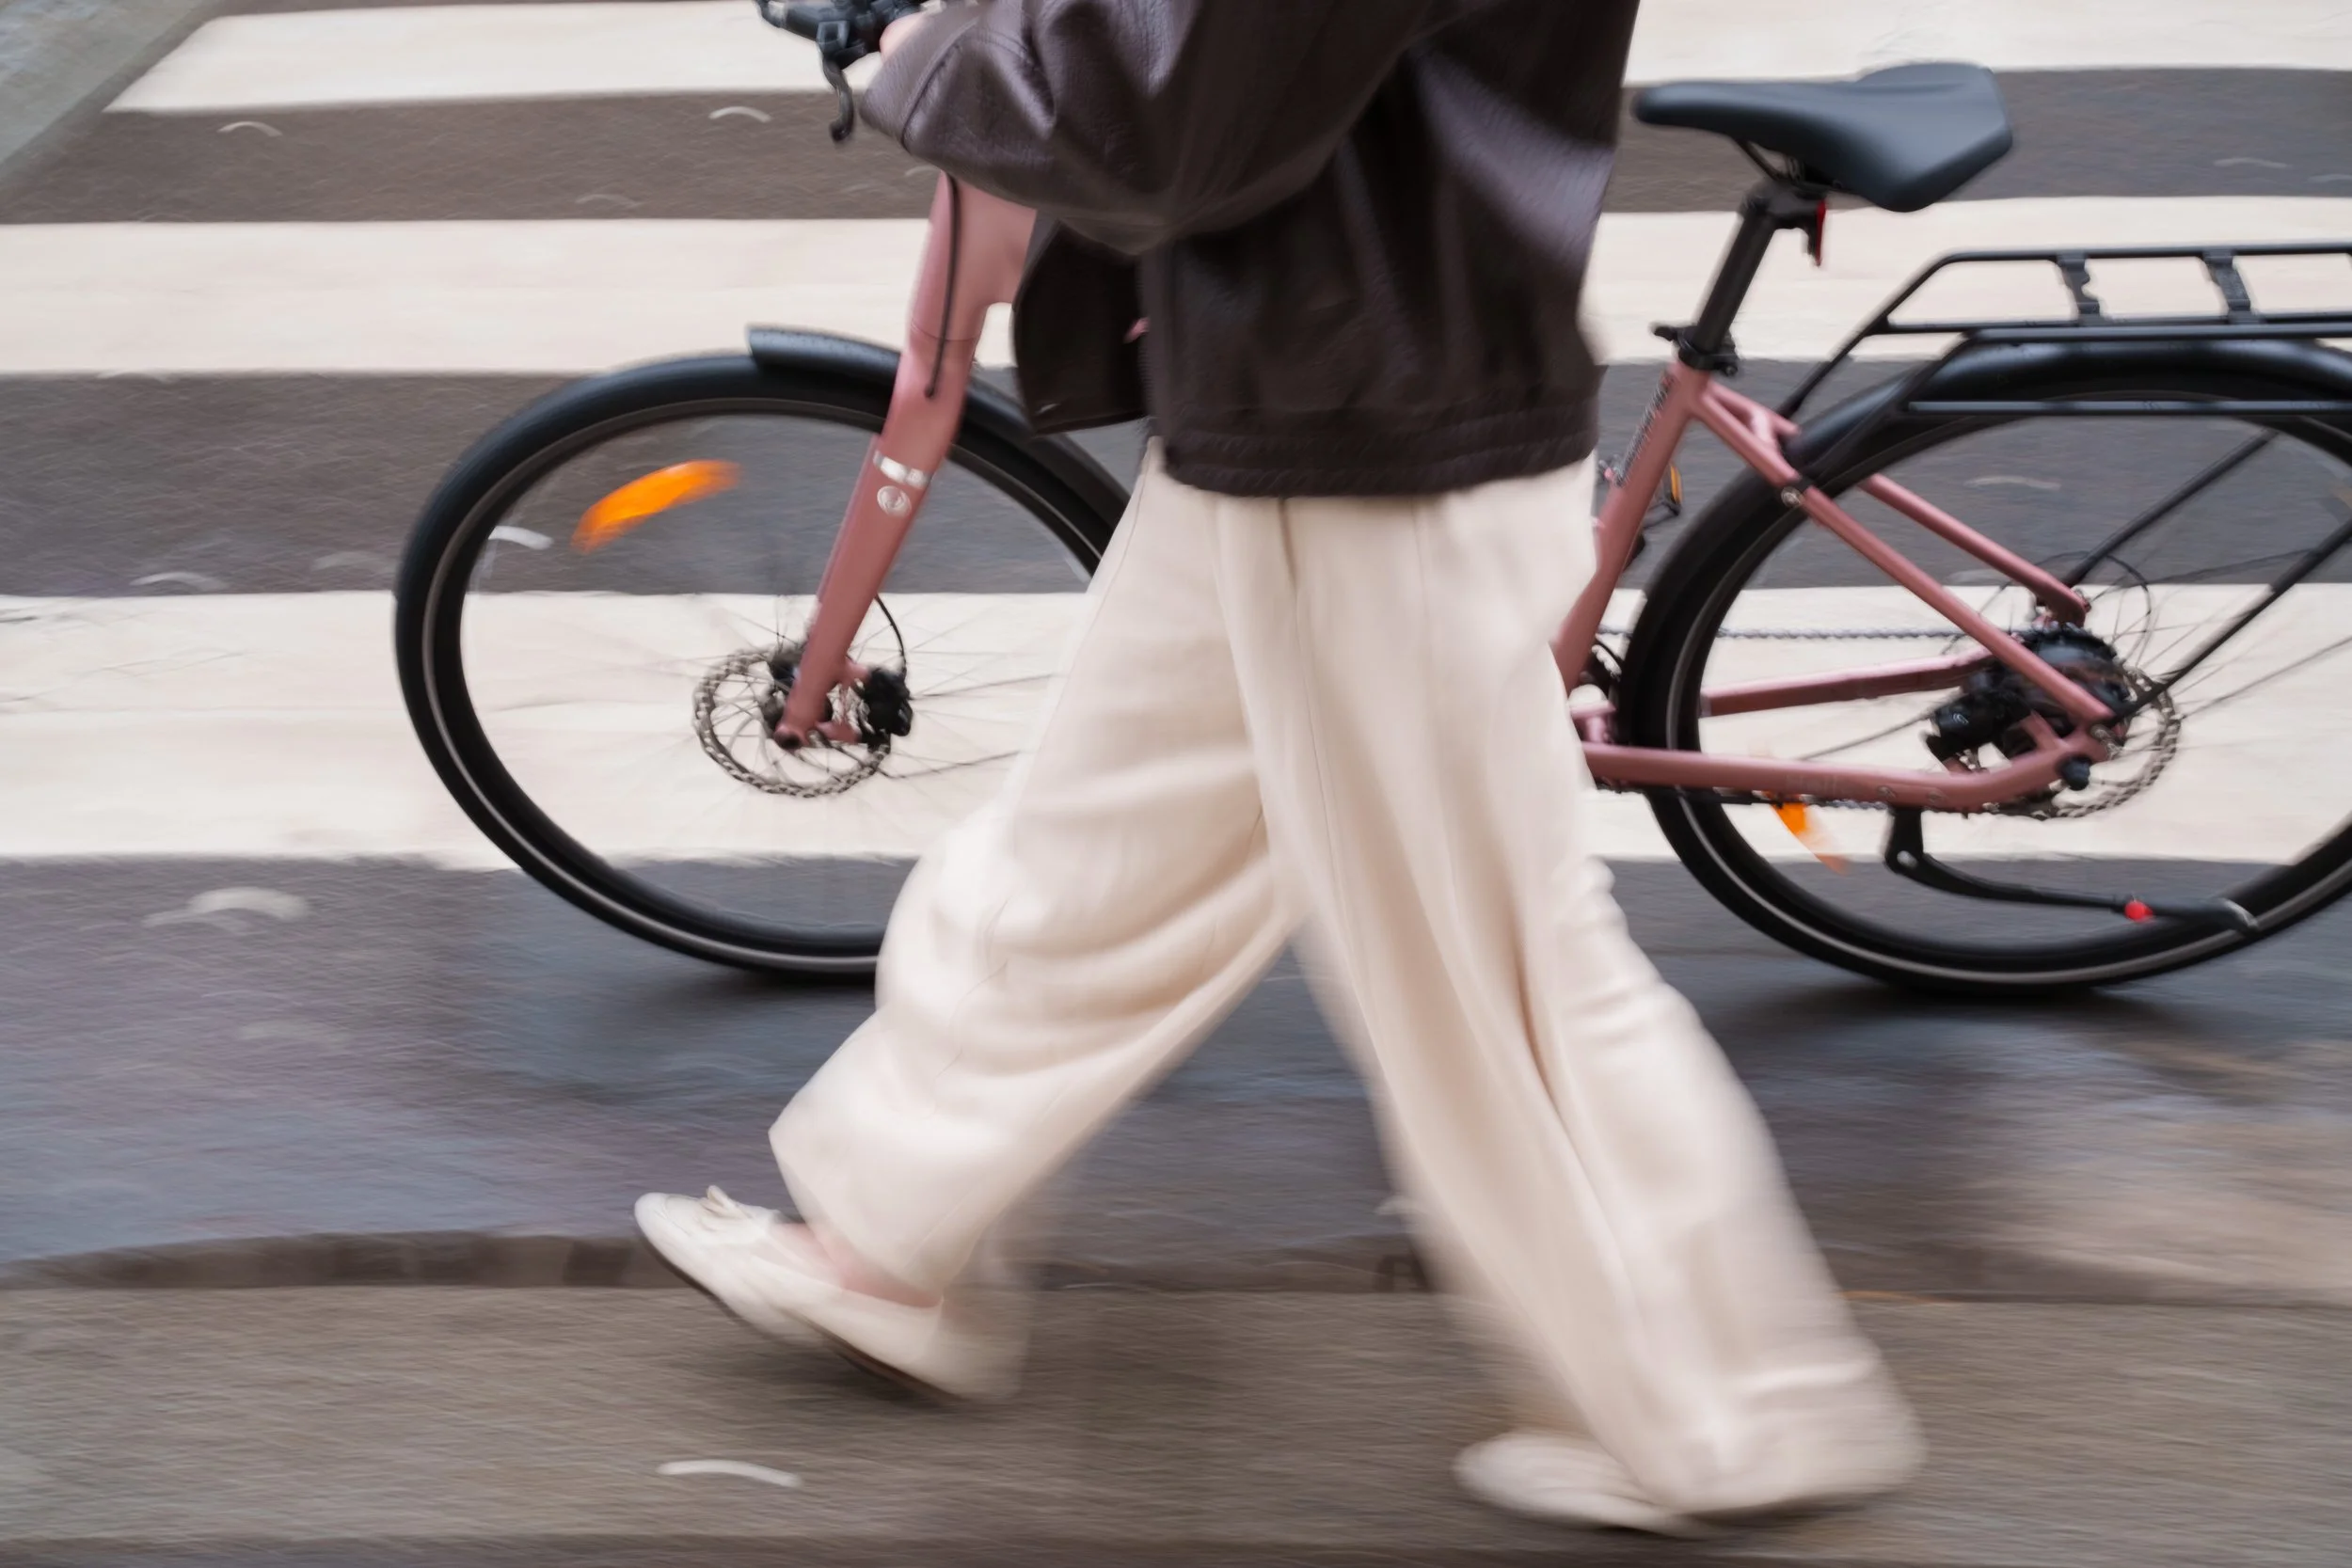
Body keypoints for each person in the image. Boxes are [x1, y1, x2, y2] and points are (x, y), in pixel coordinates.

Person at [638, 0, 1920, 1533]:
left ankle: (1727, 1408)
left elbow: (1173, 112)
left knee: (1488, 962)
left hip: (1368, 422)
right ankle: (887, 1237)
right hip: (1303, 374)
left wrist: (931, 49)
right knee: (1107, 833)